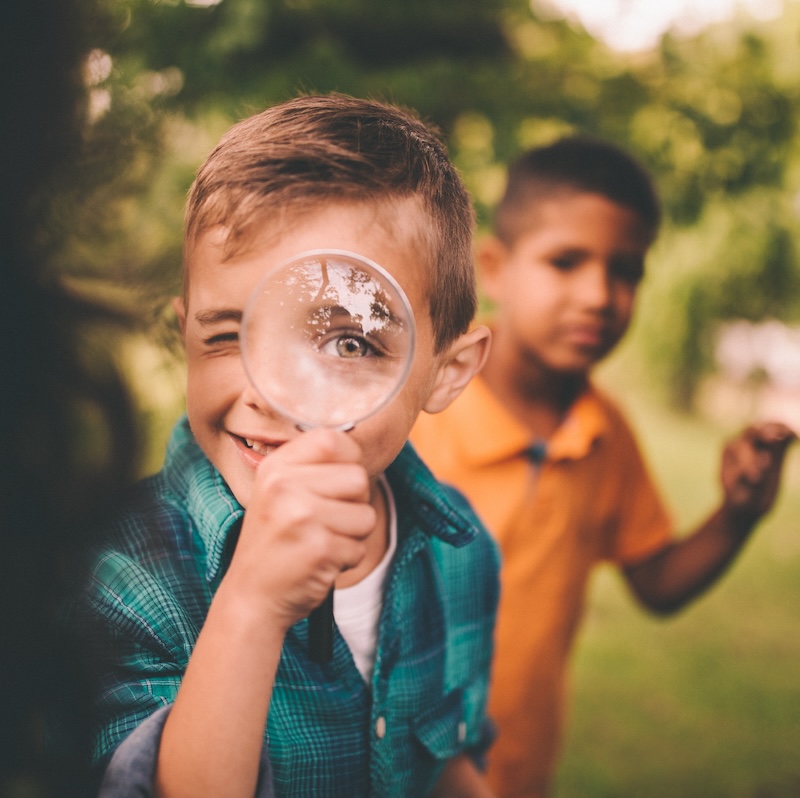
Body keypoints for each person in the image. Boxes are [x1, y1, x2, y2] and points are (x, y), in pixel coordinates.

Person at [69, 94, 500, 797]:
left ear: (447, 370)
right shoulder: (124, 578)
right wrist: (252, 603)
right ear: (186, 336)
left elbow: (447, 763)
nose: (272, 393)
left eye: (349, 341)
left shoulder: (462, 553)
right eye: (230, 335)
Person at [410, 136, 795, 798]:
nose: (598, 294)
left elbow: (657, 583)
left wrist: (737, 516)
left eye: (626, 270)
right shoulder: (417, 406)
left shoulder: (604, 434)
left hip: (521, 773)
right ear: (495, 268)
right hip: (391, 770)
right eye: (566, 262)